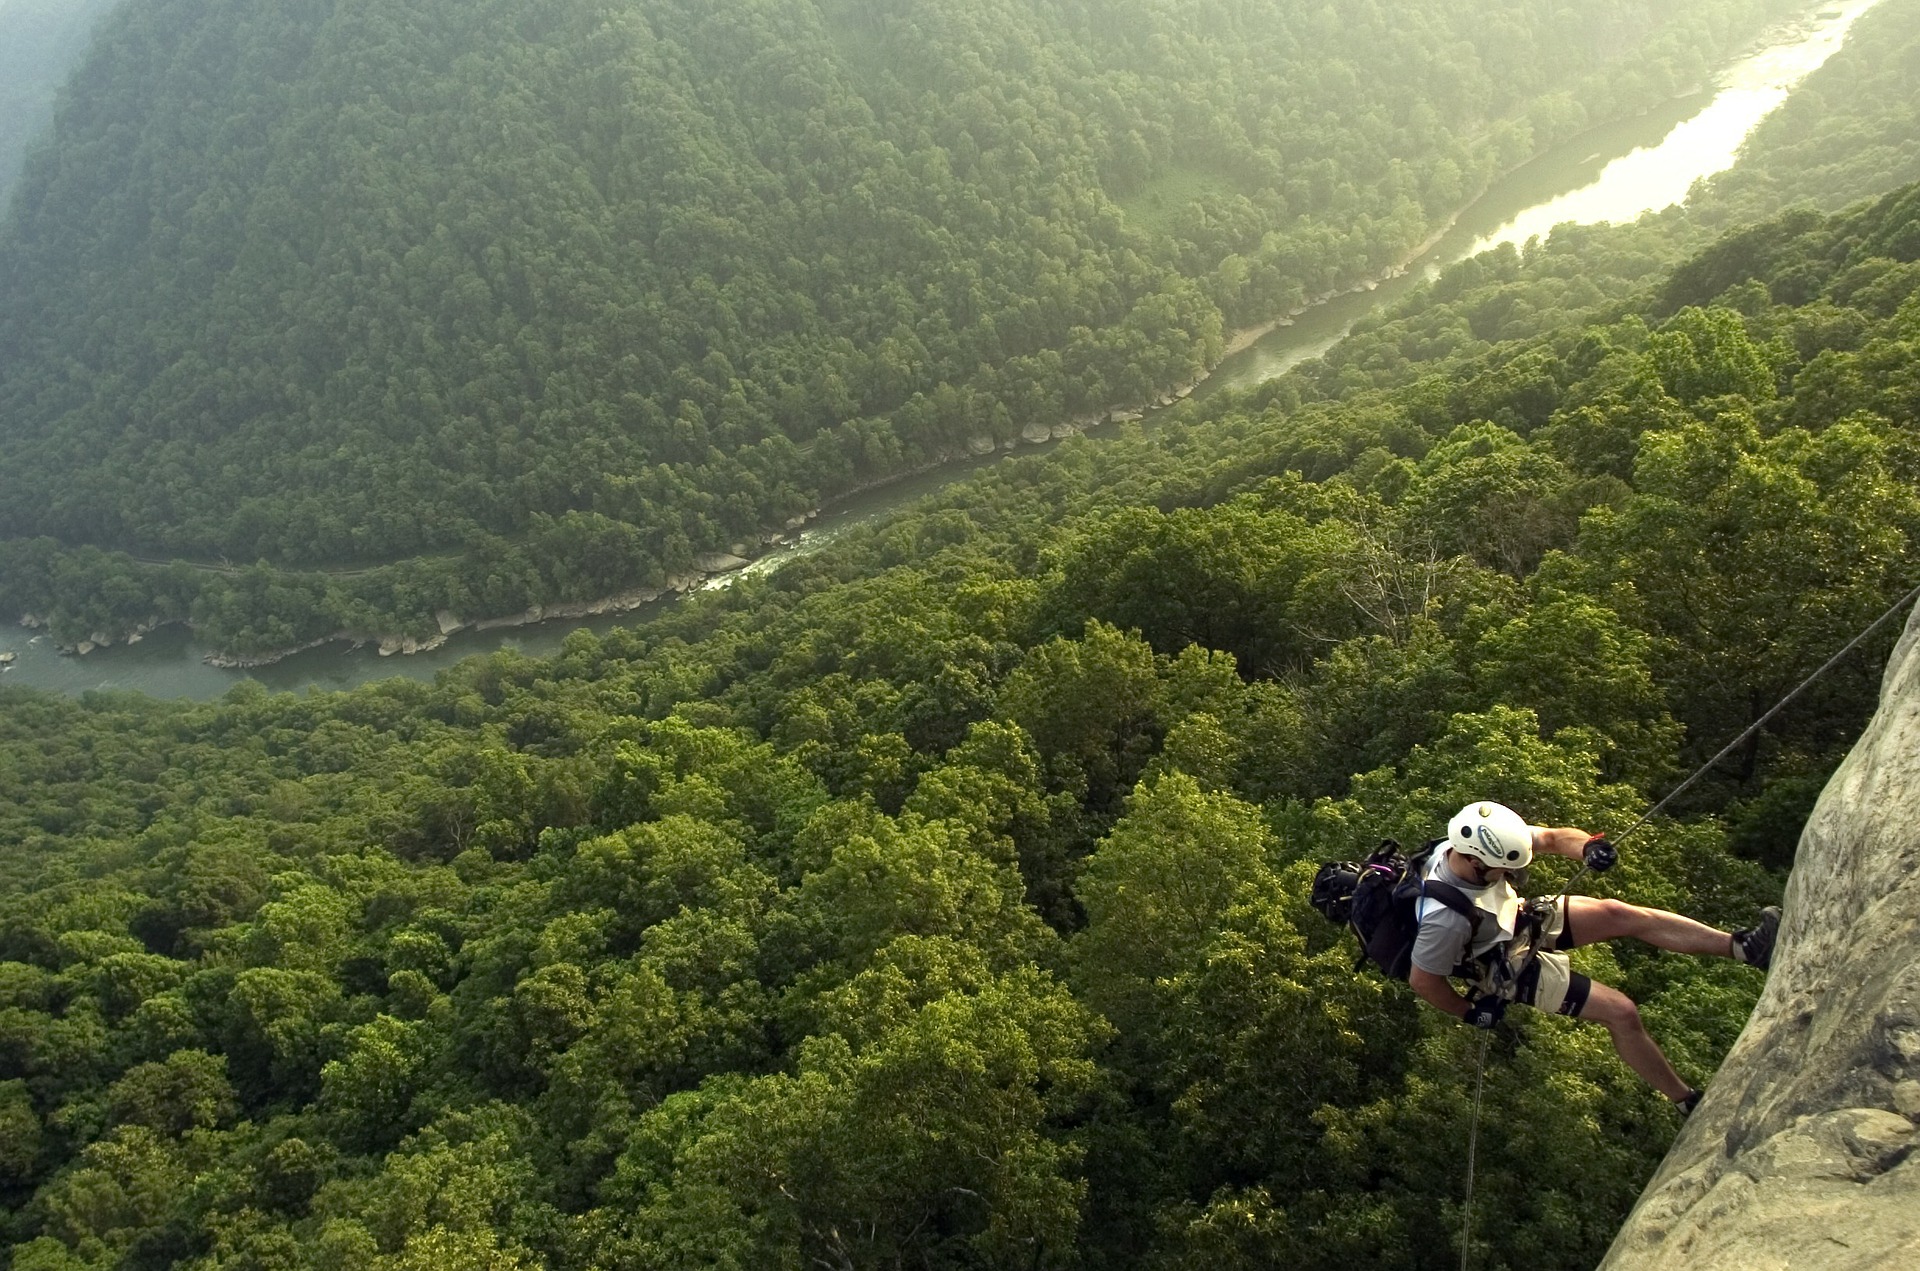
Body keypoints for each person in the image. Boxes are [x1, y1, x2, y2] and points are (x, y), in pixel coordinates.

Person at [1407, 800, 1780, 1114]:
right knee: (1621, 1012)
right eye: (1505, 868)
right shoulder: (1445, 921)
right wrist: (1469, 1012)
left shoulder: (1475, 841)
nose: (1513, 873)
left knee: (1619, 913)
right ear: (1476, 862)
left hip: (1513, 920)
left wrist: (1588, 847)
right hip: (1499, 964)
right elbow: (1423, 980)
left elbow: (1552, 838)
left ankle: (1745, 948)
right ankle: (1687, 1101)